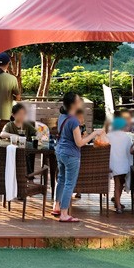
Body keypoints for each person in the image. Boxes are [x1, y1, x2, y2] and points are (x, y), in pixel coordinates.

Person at [51, 92, 103, 223]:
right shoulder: (74, 120)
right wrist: (94, 134)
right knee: (69, 183)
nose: (81, 101)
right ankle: (64, 213)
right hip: (71, 155)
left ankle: (57, 206)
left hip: (60, 152)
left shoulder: (63, 116)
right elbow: (79, 143)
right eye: (79, 99)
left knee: (61, 180)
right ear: (74, 104)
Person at [107, 115, 133, 213]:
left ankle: (117, 201)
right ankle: (118, 205)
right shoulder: (126, 137)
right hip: (122, 165)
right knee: (119, 183)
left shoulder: (108, 135)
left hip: (111, 164)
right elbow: (129, 153)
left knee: (118, 183)